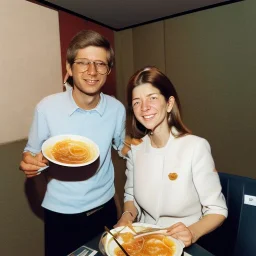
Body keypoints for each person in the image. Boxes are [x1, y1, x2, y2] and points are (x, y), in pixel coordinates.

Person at [19, 30, 126, 256]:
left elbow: (122, 145)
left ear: (108, 70)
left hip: (104, 210)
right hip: (61, 216)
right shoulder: (46, 108)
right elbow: (30, 152)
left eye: (100, 63)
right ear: (69, 68)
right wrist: (29, 163)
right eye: (83, 62)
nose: (92, 71)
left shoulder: (116, 109)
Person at [115, 66, 228, 247]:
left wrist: (192, 232)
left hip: (184, 244)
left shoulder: (196, 147)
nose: (144, 107)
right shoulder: (135, 150)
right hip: (144, 241)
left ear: (169, 103)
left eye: (152, 98)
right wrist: (126, 216)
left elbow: (217, 210)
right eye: (137, 102)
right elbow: (130, 196)